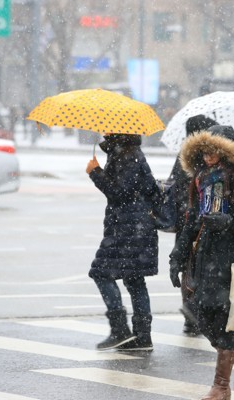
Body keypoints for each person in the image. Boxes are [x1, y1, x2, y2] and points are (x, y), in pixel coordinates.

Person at [169, 125, 234, 399]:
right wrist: (176, 259)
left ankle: (221, 387)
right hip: (203, 259)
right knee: (200, 316)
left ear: (227, 152)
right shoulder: (200, 182)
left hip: (231, 261)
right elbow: (190, 224)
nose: (208, 156)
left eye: (214, 151)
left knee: (221, 319)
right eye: (204, 151)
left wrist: (229, 222)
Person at [86, 133, 159, 351]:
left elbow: (120, 193)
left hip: (129, 228)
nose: (105, 131)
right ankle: (142, 337)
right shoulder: (125, 153)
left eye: (109, 128)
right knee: (134, 279)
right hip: (134, 226)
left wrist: (95, 173)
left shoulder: (129, 156)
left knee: (100, 272)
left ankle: (121, 331)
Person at [168, 115, 218, 336]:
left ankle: (192, 316)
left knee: (189, 267)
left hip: (187, 222)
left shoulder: (185, 157)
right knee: (200, 267)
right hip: (198, 222)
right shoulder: (205, 159)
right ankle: (195, 314)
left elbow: (175, 186)